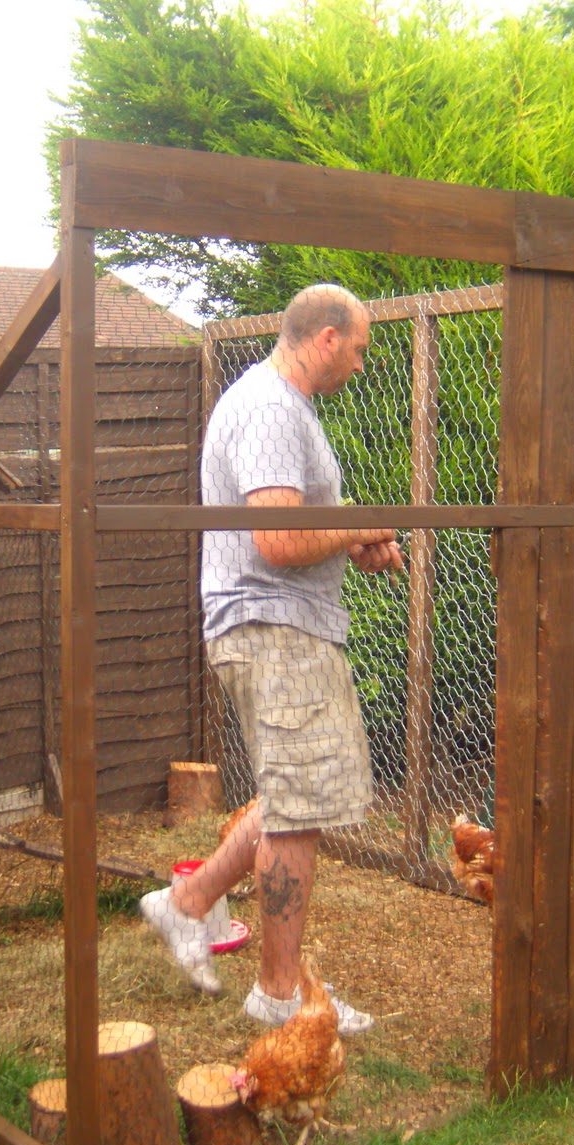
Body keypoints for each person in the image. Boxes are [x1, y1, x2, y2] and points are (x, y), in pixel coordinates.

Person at [140, 283, 403, 1036]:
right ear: (325, 337)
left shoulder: (284, 408)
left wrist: (355, 539)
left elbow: (295, 532)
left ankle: (188, 903)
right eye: (357, 349)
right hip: (271, 629)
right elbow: (278, 539)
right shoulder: (269, 408)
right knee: (299, 806)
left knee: (299, 792)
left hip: (283, 625)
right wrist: (354, 527)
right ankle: (280, 999)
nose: (359, 365)